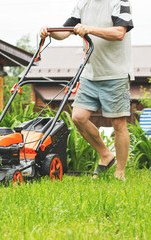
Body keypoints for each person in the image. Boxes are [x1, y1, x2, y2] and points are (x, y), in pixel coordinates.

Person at [40, 0, 134, 181]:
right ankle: (106, 155)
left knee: (118, 124)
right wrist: (49, 31)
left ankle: (120, 172)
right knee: (78, 118)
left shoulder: (119, 2)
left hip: (115, 74)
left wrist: (89, 29)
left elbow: (119, 33)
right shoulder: (83, 4)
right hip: (90, 74)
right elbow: (66, 31)